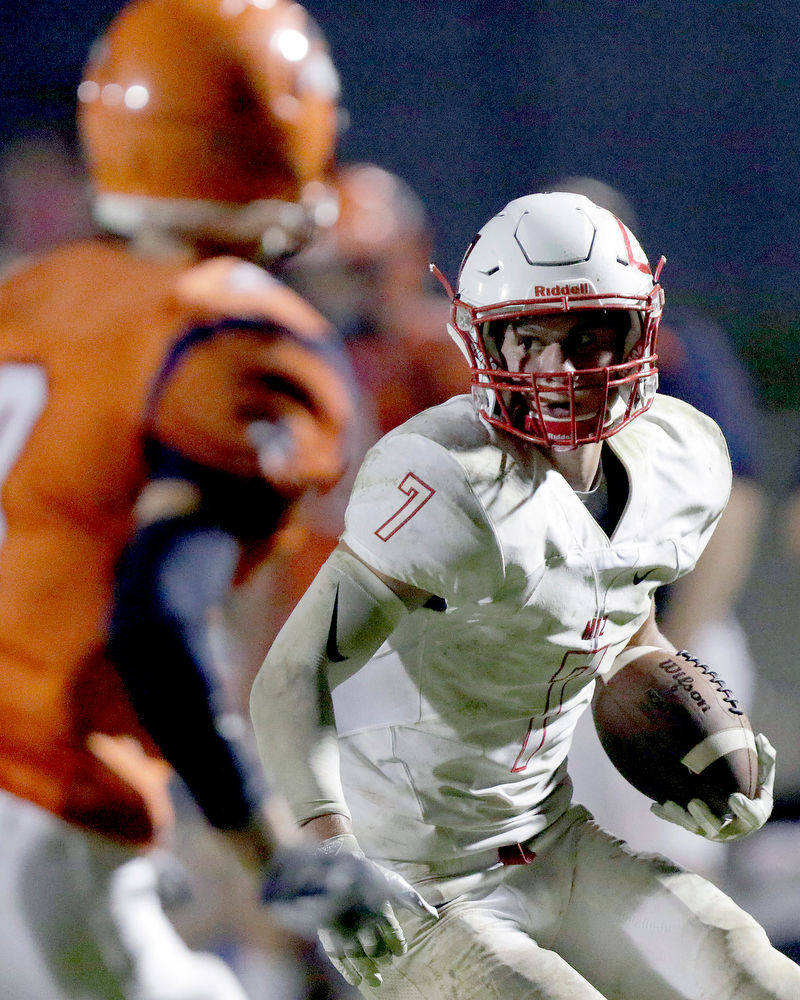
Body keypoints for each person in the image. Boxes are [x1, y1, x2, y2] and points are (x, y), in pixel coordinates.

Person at [250, 191, 800, 998]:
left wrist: (708, 731)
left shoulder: (675, 456)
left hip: (550, 835)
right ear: (483, 342)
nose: (562, 369)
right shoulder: (442, 478)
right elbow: (291, 677)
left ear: (643, 330)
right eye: (531, 339)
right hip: (419, 874)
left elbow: (619, 617)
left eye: (589, 336)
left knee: (753, 977)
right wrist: (332, 851)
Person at [0, 0, 427, 997]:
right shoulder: (235, 339)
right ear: (292, 124)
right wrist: (272, 848)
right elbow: (155, 621)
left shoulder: (32, 298)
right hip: (39, 802)